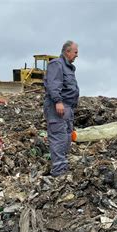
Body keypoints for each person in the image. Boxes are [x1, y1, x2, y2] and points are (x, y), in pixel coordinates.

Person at [43, 40, 80, 177]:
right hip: (58, 107)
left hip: (67, 108)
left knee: (66, 137)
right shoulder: (57, 64)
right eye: (75, 52)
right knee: (59, 137)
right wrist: (58, 101)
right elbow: (53, 84)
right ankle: (59, 172)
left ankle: (62, 168)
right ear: (67, 51)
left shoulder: (68, 67)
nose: (77, 55)